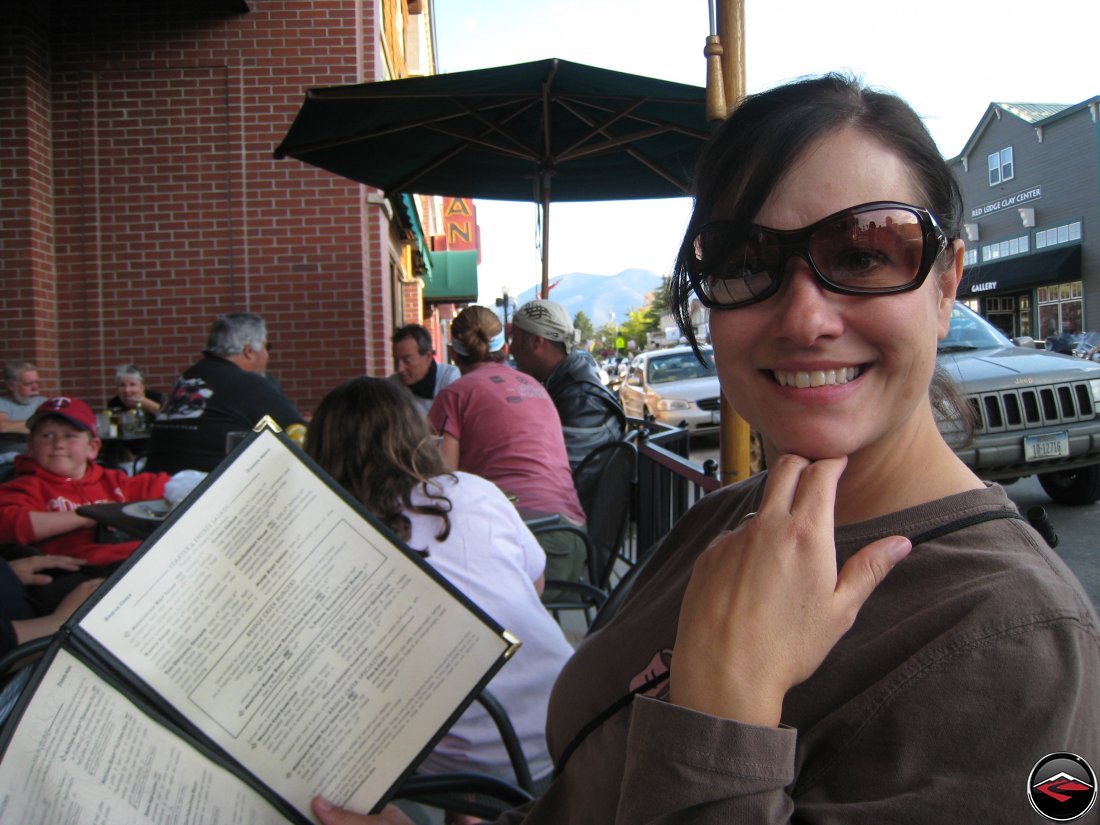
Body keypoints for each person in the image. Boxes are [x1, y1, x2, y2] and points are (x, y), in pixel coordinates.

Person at [311, 75, 1100, 825]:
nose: (803, 317)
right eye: (746, 261)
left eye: (863, 253)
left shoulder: (1024, 643)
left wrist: (727, 709)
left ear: (946, 282)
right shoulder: (721, 520)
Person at [305, 377, 574, 804]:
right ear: (414, 433)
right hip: (569, 719)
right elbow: (535, 584)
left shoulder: (330, 537)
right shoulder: (473, 490)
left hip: (461, 771)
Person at [427, 306, 587, 584]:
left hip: (514, 552)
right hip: (572, 547)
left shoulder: (454, 396)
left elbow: (442, 484)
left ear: (453, 353)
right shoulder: (536, 387)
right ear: (503, 348)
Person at [0, 396, 170, 611]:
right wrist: (86, 516)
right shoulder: (27, 485)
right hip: (79, 575)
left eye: (70, 436)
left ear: (93, 447)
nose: (58, 444)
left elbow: (166, 487)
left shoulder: (113, 481)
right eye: (47, 435)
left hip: (136, 564)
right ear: (31, 447)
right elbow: (7, 523)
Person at [145, 313, 306, 473]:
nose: (267, 354)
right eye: (267, 346)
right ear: (249, 351)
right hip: (213, 488)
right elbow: (300, 435)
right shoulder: (249, 384)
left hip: (158, 482)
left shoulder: (186, 378)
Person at [509, 299, 626, 471]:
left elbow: (550, 473)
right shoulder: (567, 381)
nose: (511, 350)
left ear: (536, 342)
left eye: (515, 340)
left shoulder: (580, 399)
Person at [390, 324, 460, 415]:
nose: (400, 369)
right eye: (396, 361)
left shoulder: (449, 378)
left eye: (407, 361)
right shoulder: (393, 386)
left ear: (428, 356)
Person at [0, 360, 46, 458]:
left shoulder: (44, 403)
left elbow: (50, 428)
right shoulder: (2, 403)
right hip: (8, 460)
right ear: (11, 386)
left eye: (37, 382)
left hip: (38, 457)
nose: (35, 387)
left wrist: (15, 426)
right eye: (28, 384)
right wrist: (38, 424)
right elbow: (2, 427)